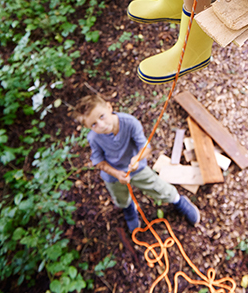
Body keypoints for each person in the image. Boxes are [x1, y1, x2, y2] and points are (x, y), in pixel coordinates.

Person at [74, 94, 200, 234]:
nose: (101, 125)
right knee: (120, 197)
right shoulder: (94, 137)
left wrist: (137, 158)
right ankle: (128, 208)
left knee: (157, 186)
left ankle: (178, 201)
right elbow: (98, 162)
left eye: (102, 116)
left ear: (109, 107)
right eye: (93, 124)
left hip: (136, 168)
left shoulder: (129, 122)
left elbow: (146, 147)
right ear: (87, 127)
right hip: (114, 176)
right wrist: (117, 174)